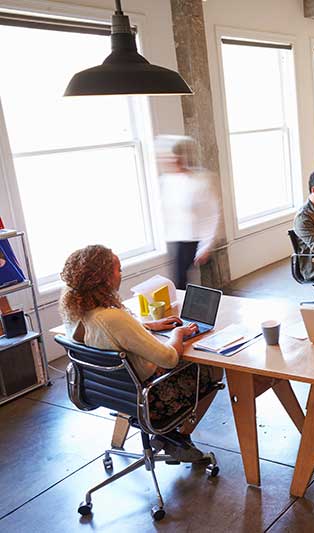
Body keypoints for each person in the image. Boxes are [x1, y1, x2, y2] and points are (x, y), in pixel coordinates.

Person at [59, 245, 222, 462]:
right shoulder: (113, 318)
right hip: (150, 397)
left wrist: (146, 327)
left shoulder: (76, 314)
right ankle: (175, 437)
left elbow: (108, 335)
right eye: (118, 270)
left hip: (111, 392)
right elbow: (169, 358)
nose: (121, 274)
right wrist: (178, 333)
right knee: (212, 370)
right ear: (105, 278)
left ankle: (170, 437)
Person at [157, 136, 222, 290]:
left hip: (196, 240)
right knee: (179, 283)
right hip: (176, 239)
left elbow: (213, 214)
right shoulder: (165, 181)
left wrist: (206, 246)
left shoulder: (201, 181)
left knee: (205, 287)